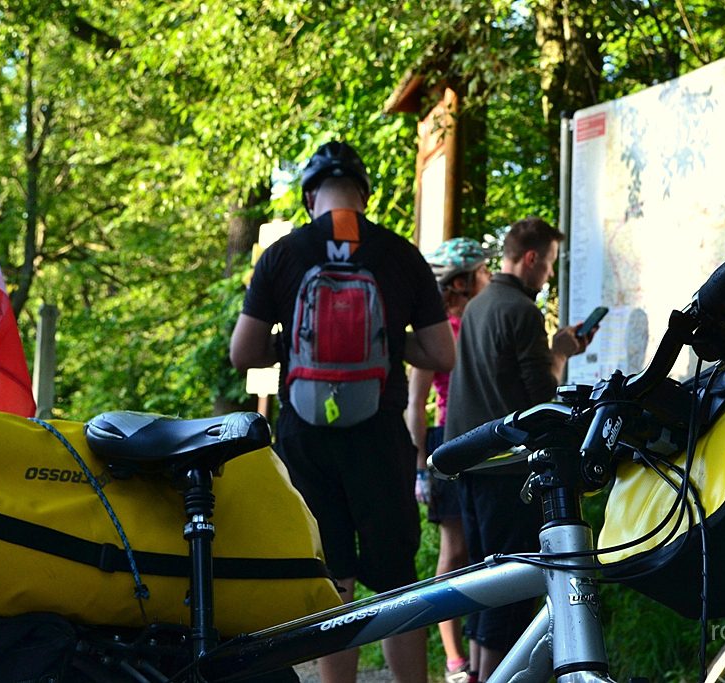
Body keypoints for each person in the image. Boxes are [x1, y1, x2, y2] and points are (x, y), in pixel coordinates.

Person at [230, 140, 455, 683]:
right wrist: (390, 342)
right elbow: (441, 354)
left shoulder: (282, 255)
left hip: (306, 440)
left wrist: (290, 347)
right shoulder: (399, 254)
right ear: (364, 195)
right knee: (398, 582)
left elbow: (243, 352)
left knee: (332, 582)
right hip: (379, 436)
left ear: (310, 197)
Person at [444, 216, 594, 683]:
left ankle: (478, 673)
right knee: (511, 596)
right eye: (548, 264)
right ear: (531, 258)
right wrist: (561, 352)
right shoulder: (522, 312)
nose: (547, 275)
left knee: (485, 584)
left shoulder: (477, 305)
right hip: (508, 474)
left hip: (472, 465)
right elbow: (541, 402)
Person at [405, 237, 492, 683]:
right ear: (462, 281)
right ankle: (455, 659)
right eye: (483, 271)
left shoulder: (484, 319)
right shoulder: (436, 330)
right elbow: (415, 404)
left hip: (484, 439)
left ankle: (482, 648)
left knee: (484, 549)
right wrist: (421, 467)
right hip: (447, 441)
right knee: (455, 550)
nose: (490, 277)